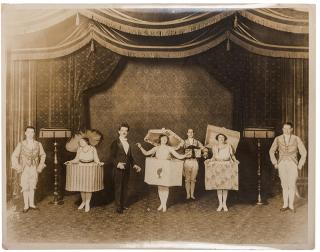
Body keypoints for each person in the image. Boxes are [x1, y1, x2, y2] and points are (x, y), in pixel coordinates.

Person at [137, 134, 186, 212]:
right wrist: (140, 147)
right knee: (160, 186)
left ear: (167, 140)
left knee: (165, 186)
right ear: (160, 139)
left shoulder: (169, 148)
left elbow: (178, 156)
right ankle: (162, 203)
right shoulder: (156, 148)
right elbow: (146, 153)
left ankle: (164, 204)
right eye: (163, 138)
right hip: (158, 169)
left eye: (166, 139)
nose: (164, 140)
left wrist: (186, 155)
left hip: (166, 169)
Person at [269, 122, 307, 213]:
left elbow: (304, 152)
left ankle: (291, 205)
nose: (286, 130)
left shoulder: (296, 139)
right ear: (282, 129)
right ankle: (285, 205)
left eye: (288, 128)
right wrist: (275, 163)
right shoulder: (277, 139)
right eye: (284, 128)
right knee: (284, 184)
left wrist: (300, 164)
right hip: (282, 163)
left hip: (292, 164)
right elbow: (271, 151)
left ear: (291, 129)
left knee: (292, 184)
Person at [11, 126, 46, 213]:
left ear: (34, 134)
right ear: (25, 133)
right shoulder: (21, 144)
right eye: (28, 132)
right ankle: (26, 205)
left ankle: (31, 204)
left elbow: (43, 155)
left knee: (32, 185)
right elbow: (14, 155)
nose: (30, 134)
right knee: (25, 186)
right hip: (25, 168)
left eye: (32, 132)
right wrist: (17, 166)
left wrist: (40, 165)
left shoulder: (38, 144)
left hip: (34, 168)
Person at [65, 137, 104, 212]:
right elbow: (76, 159)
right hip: (81, 168)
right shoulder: (79, 149)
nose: (81, 143)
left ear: (86, 142)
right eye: (80, 142)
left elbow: (96, 159)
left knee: (88, 187)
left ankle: (87, 203)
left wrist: (99, 163)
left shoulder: (92, 148)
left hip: (90, 168)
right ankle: (83, 202)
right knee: (82, 187)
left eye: (82, 142)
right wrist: (70, 162)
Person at [110, 123, 141, 214]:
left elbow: (130, 157)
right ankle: (118, 207)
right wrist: (117, 164)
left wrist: (135, 165)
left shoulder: (128, 143)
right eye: (122, 130)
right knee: (119, 187)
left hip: (127, 169)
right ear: (119, 131)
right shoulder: (115, 143)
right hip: (118, 169)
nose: (124, 132)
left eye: (126, 131)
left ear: (127, 132)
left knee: (125, 187)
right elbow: (111, 157)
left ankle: (123, 204)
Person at [205, 133, 239, 212]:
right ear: (217, 138)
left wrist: (235, 160)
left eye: (222, 137)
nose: (221, 138)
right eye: (219, 137)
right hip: (218, 166)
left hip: (226, 166)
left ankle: (224, 203)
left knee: (225, 185)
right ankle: (220, 204)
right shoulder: (215, 147)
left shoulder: (228, 146)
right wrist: (209, 160)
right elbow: (214, 157)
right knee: (219, 186)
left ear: (224, 139)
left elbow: (232, 155)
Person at [181, 129, 206, 200]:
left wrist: (205, 152)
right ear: (187, 133)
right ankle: (188, 194)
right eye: (189, 132)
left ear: (193, 133)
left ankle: (192, 194)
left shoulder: (197, 142)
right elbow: (179, 150)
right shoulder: (184, 142)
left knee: (193, 179)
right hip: (187, 161)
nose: (190, 133)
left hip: (195, 161)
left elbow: (204, 149)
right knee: (187, 179)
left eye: (192, 132)